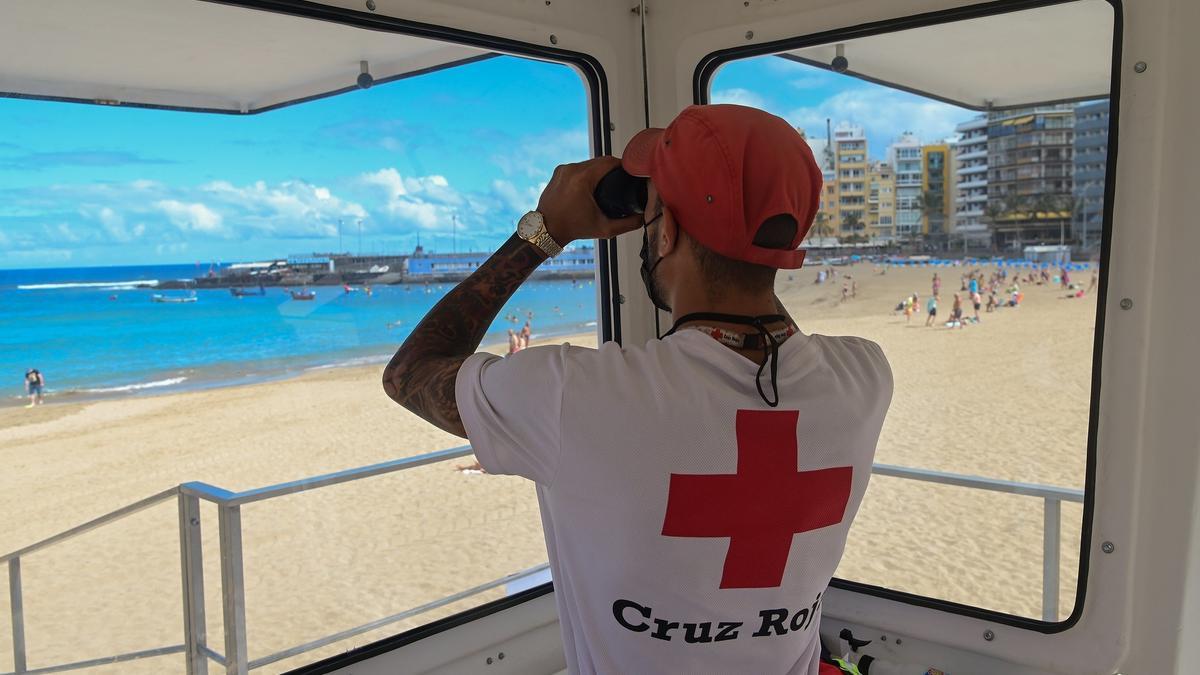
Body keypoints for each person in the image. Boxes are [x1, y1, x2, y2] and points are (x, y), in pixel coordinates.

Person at [381, 104, 892, 675]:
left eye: (651, 215)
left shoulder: (576, 397)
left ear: (666, 231)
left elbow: (410, 371)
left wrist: (543, 232)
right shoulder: (865, 376)